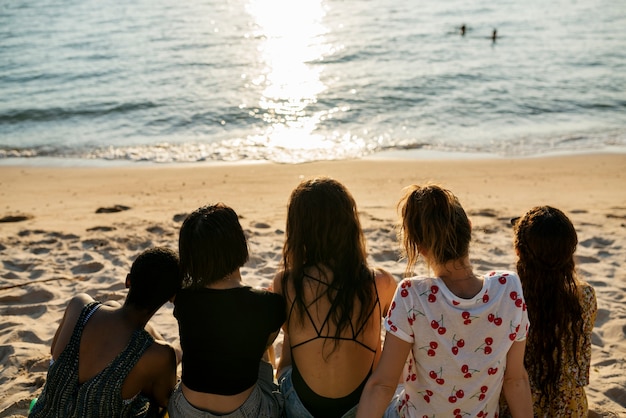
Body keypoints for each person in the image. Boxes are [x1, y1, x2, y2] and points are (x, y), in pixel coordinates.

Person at [356, 184, 533, 418]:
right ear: (468, 228)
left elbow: (382, 386)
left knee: (392, 379)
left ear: (420, 248)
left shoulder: (411, 294)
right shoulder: (509, 288)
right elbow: (516, 380)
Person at [273, 177, 396, 418]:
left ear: (298, 230)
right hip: (364, 404)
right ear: (350, 225)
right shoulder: (379, 281)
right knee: (378, 333)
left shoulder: (285, 282)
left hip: (301, 407)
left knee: (291, 335)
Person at [30, 247, 182, 418]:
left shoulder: (78, 305)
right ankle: (178, 351)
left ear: (128, 281)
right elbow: (164, 401)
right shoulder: (160, 355)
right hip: (152, 353)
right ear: (171, 298)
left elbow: (54, 351)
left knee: (112, 306)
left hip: (44, 414)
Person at [168, 203, 286, 418]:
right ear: (238, 244)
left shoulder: (183, 299)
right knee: (262, 362)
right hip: (244, 411)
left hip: (185, 409)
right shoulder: (268, 304)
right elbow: (264, 344)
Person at [504, 206, 597, 416]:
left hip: (518, 406)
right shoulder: (586, 297)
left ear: (518, 251)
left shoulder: (510, 297)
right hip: (571, 408)